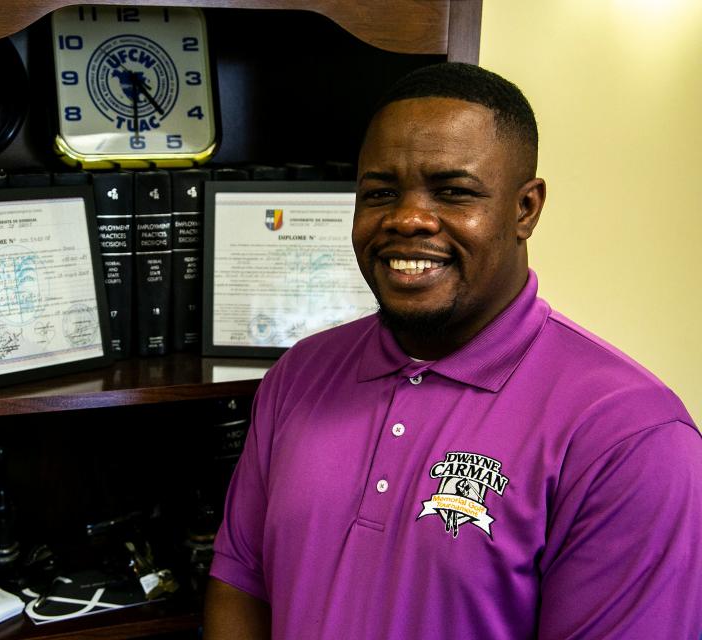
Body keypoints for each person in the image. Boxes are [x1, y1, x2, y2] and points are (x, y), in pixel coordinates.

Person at [203, 62, 702, 639]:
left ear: (526, 209)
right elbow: (241, 585)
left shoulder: (631, 436)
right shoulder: (299, 375)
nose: (407, 218)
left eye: (453, 192)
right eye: (381, 192)